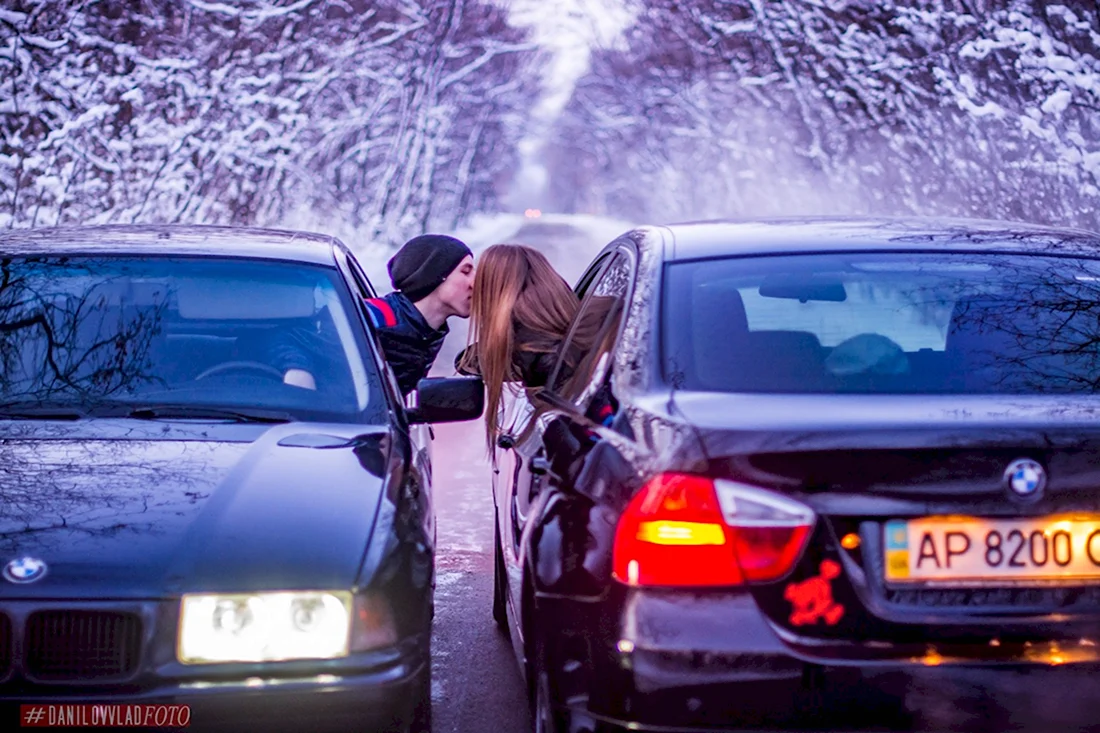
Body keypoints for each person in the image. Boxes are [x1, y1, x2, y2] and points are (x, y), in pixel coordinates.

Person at [456, 244, 619, 449]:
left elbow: (472, 361)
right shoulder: (588, 325)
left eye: (481, 280)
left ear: (495, 290)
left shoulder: (526, 344)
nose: (474, 286)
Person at [362, 234, 475, 397]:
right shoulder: (369, 318)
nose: (476, 283)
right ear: (435, 276)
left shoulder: (429, 334)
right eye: (465, 272)